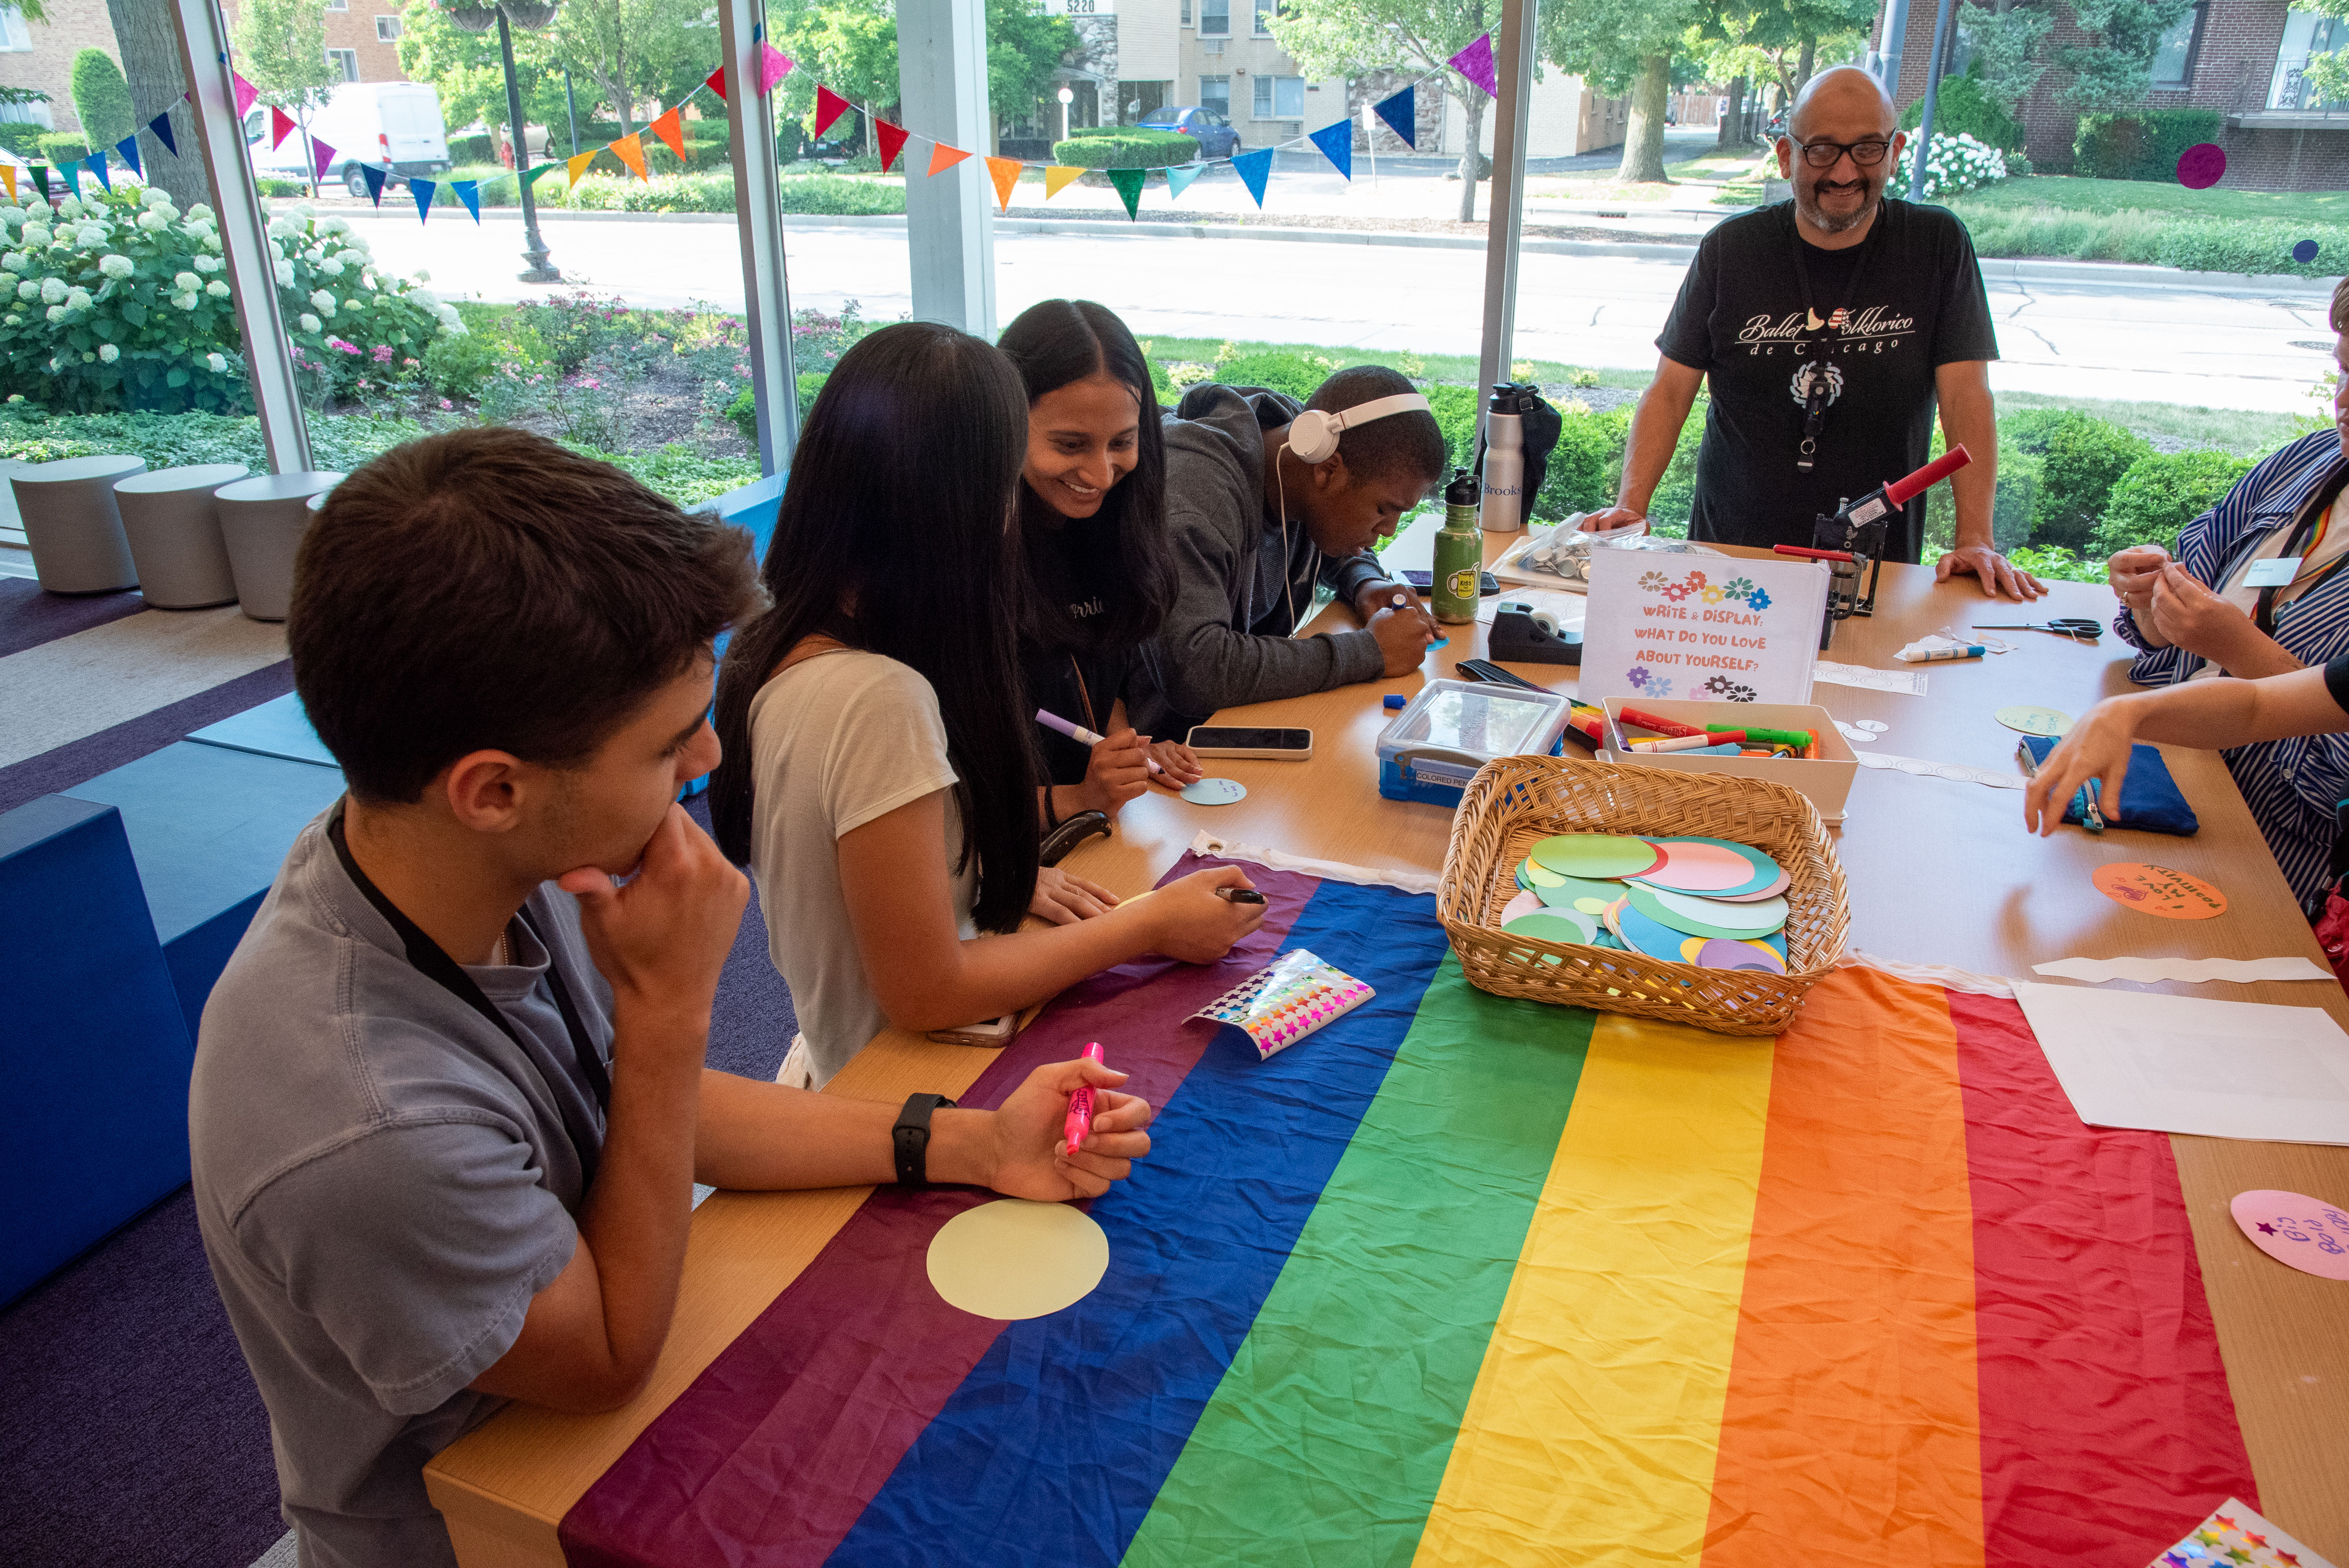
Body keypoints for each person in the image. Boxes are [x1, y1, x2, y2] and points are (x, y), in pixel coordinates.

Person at [187, 426, 1154, 1568]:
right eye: (664, 745)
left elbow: (635, 1109)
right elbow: (600, 1356)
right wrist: (666, 1005)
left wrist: (976, 1140)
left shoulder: (463, 857)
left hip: (611, 1367)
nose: (706, 751)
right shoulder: (364, 1124)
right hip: (497, 1520)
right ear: (492, 789)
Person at [709, 322, 1267, 1092]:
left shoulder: (790, 646)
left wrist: (979, 871)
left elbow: (889, 869)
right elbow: (926, 989)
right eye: (1009, 486)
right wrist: (1146, 924)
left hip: (890, 1056)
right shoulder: (876, 698)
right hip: (907, 1081)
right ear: (955, 510)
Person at [1581, 65, 2042, 602]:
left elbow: (1966, 395)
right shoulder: (1732, 249)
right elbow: (1669, 390)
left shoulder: (1936, 246)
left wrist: (1976, 539)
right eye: (1822, 149)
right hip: (1730, 559)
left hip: (1871, 569)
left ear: (1895, 152)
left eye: (1867, 148)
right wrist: (1631, 507)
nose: (1845, 171)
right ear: (1786, 156)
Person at [2083, 286, 2349, 902]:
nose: (2342, 400)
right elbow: (2174, 634)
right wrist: (2151, 605)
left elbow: (2336, 776)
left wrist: (2238, 646)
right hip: (2171, 793)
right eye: (2342, 369)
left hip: (2274, 872)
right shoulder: (2307, 463)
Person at [996, 299, 1204, 885]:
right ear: (1006, 423)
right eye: (1069, 445)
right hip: (1006, 852)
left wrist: (1126, 748)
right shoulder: (971, 555)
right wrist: (1075, 796)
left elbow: (1087, 672)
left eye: (1122, 443)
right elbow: (944, 803)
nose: (1101, 474)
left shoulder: (1116, 528)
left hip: (1090, 833)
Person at [1136, 364, 1450, 737]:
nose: (1388, 531)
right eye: (1384, 510)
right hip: (1162, 750)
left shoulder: (1303, 453)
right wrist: (1368, 652)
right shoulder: (1199, 502)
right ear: (1328, 471)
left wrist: (1364, 580)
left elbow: (1333, 528)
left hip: (1239, 723)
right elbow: (1197, 671)